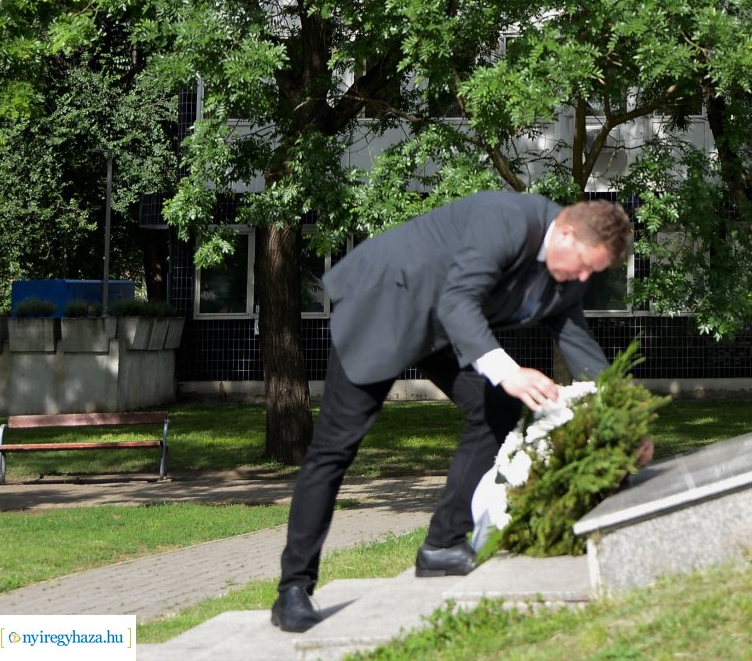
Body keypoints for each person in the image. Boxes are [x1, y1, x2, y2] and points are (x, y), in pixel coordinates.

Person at [271, 191, 634, 633]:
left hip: (441, 327)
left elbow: (581, 347)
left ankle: (442, 544)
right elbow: (459, 301)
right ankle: (293, 589)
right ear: (566, 230)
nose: (582, 277)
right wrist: (509, 371)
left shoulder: (571, 272)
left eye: (592, 272)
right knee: (335, 448)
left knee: (499, 411)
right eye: (582, 264)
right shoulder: (508, 220)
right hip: (386, 303)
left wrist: (625, 423)